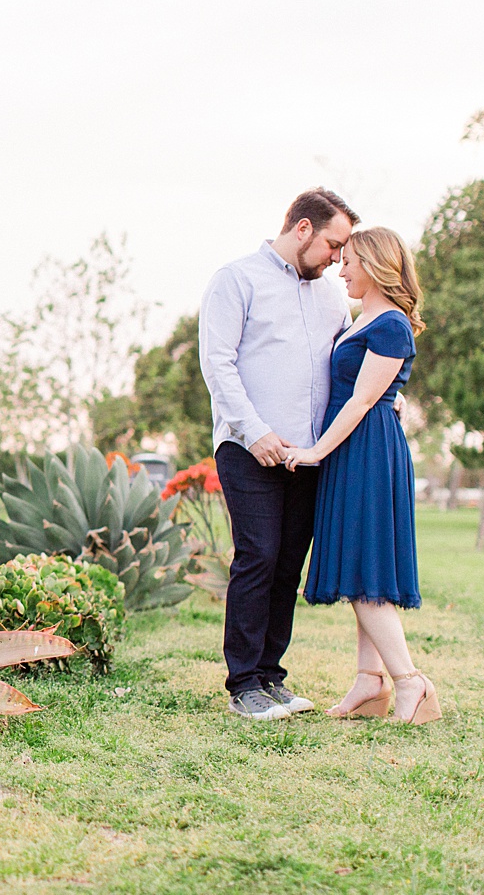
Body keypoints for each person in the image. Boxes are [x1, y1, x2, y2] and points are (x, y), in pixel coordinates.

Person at [199, 188, 357, 721]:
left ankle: (271, 675)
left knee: (288, 564)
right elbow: (218, 364)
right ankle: (243, 683)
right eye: (334, 245)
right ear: (304, 229)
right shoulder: (237, 279)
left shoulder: (331, 298)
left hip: (308, 455)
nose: (338, 259)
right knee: (259, 556)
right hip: (249, 449)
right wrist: (254, 430)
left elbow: (348, 362)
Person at [283, 228, 439, 724]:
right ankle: (369, 683)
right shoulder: (364, 319)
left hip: (367, 450)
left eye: (349, 260)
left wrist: (313, 452)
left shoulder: (390, 324)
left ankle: (411, 682)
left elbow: (364, 399)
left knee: (364, 566)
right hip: (354, 448)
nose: (341, 268)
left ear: (374, 265)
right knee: (360, 567)